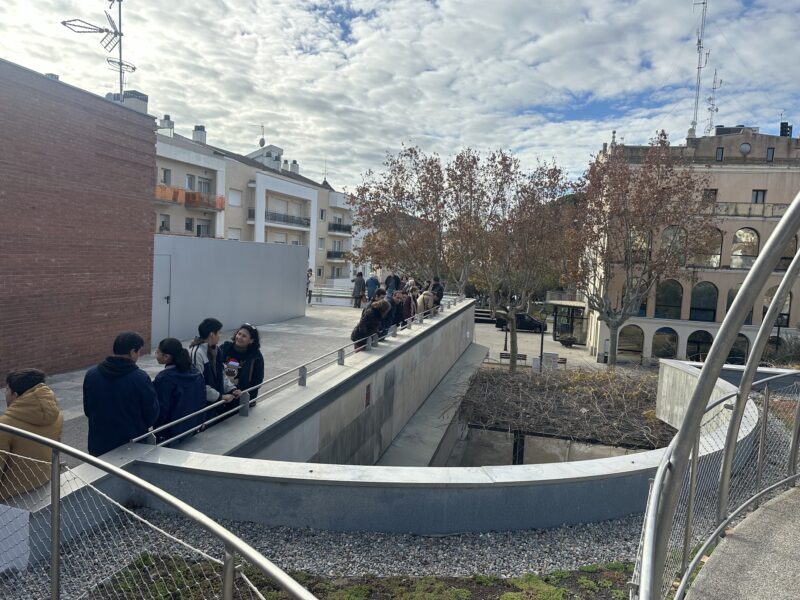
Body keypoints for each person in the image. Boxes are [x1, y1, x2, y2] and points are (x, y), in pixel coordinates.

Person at [83, 332, 159, 456]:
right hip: (131, 444)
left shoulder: (92, 374)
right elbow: (151, 414)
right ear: (132, 352)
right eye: (139, 352)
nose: (138, 355)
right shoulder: (140, 378)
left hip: (99, 443)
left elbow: (88, 410)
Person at [1, 369, 63, 500]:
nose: (5, 394)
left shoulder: (5, 425)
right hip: (43, 480)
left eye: (6, 390)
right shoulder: (57, 416)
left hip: (10, 494)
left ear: (15, 394)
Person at [153, 338, 207, 443]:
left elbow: (161, 409)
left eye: (157, 352)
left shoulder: (164, 378)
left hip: (170, 433)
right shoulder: (195, 373)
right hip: (192, 428)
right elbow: (202, 400)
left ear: (166, 357)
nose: (156, 354)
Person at [189, 318, 240, 414]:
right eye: (219, 333)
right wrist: (219, 397)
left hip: (216, 403)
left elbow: (222, 374)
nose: (220, 335)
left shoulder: (217, 350)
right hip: (203, 406)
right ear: (212, 334)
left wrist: (232, 389)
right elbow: (198, 385)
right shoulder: (196, 353)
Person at [220, 323, 264, 403]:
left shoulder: (256, 356)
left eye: (244, 336)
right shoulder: (225, 348)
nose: (239, 337)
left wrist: (245, 396)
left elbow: (258, 380)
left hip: (244, 398)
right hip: (225, 396)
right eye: (239, 333)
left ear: (251, 340)